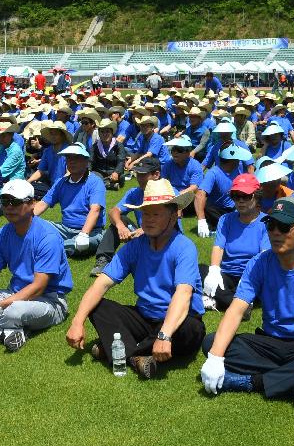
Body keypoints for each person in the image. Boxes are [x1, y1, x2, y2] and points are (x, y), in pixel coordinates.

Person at [200, 197, 294, 407]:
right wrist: (215, 357)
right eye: (271, 225)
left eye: (284, 226)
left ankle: (249, 382)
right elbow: (236, 311)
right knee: (211, 343)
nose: (276, 233)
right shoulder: (259, 262)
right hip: (270, 341)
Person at [65, 179, 205, 379]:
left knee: (191, 330)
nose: (148, 219)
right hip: (145, 317)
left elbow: (183, 294)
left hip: (177, 322)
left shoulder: (184, 247)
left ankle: (119, 348)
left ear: (174, 217)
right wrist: (77, 321)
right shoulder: (135, 246)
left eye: (155, 214)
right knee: (98, 307)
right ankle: (137, 357)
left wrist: (165, 335)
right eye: (145, 213)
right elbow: (101, 283)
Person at [0, 180, 72, 352]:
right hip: (13, 293)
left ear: (32, 204)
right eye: (4, 202)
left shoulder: (48, 237)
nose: (9, 207)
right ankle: (1, 333)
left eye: (15, 202)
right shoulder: (3, 233)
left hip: (49, 300)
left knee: (12, 311)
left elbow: (38, 287)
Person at [202, 173, 270, 312]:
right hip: (227, 273)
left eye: (245, 196)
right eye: (235, 196)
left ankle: (219, 300)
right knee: (200, 270)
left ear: (256, 197)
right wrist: (214, 269)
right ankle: (240, 306)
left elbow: (264, 256)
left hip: (252, 275)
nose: (240, 201)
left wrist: (248, 278)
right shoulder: (225, 219)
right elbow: (218, 247)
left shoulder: (267, 222)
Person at [90, 157, 164, 277]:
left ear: (156, 174)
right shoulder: (135, 192)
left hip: (164, 239)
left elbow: (171, 223)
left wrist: (144, 230)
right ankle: (102, 261)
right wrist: (120, 227)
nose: (139, 179)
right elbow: (113, 211)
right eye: (137, 174)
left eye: (143, 175)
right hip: (142, 235)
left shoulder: (169, 193)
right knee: (120, 220)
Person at [34, 143, 106, 257]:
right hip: (64, 229)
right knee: (34, 224)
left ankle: (51, 247)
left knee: (83, 243)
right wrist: (26, 219)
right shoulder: (61, 182)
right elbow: (43, 203)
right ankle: (55, 246)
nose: (71, 161)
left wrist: (84, 234)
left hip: (91, 231)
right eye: (68, 158)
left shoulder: (95, 182)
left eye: (76, 157)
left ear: (86, 161)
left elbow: (95, 210)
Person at [195, 145, 251, 236]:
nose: (240, 161)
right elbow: (199, 195)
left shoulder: (238, 170)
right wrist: (201, 220)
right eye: (238, 159)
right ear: (233, 160)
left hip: (234, 208)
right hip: (216, 210)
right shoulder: (213, 173)